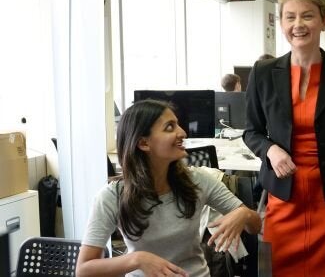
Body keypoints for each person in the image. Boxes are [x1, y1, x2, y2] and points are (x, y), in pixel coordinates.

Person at [243, 0, 325, 277]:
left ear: (324, 21)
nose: (298, 24)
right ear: (281, 22)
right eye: (290, 17)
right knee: (281, 269)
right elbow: (251, 131)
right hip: (284, 195)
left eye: (307, 16)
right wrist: (270, 150)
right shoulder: (263, 73)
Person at [76, 99, 261, 276]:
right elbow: (84, 269)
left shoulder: (199, 180)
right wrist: (137, 259)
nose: (182, 133)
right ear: (143, 143)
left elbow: (255, 226)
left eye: (177, 124)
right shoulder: (112, 196)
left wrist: (243, 214)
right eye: (170, 127)